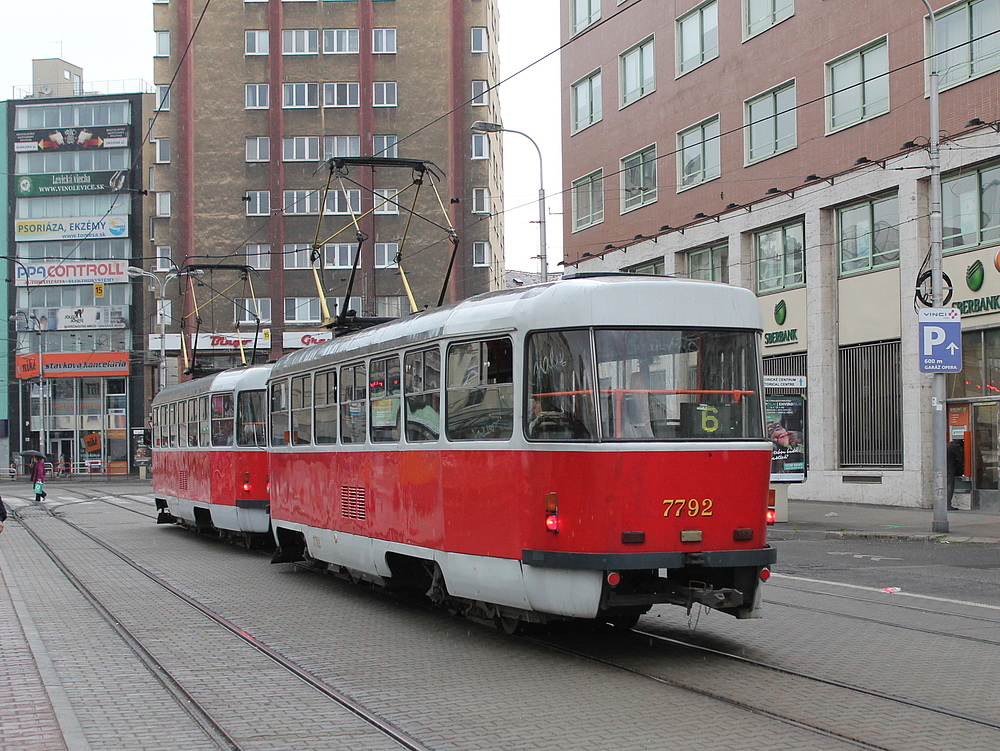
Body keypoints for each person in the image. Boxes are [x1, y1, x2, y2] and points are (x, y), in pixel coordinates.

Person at [947, 438, 965, 510]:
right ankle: (948, 504)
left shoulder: (945, 445)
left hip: (942, 468)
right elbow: (960, 459)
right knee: (950, 485)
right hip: (950, 468)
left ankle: (942, 504)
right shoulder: (955, 447)